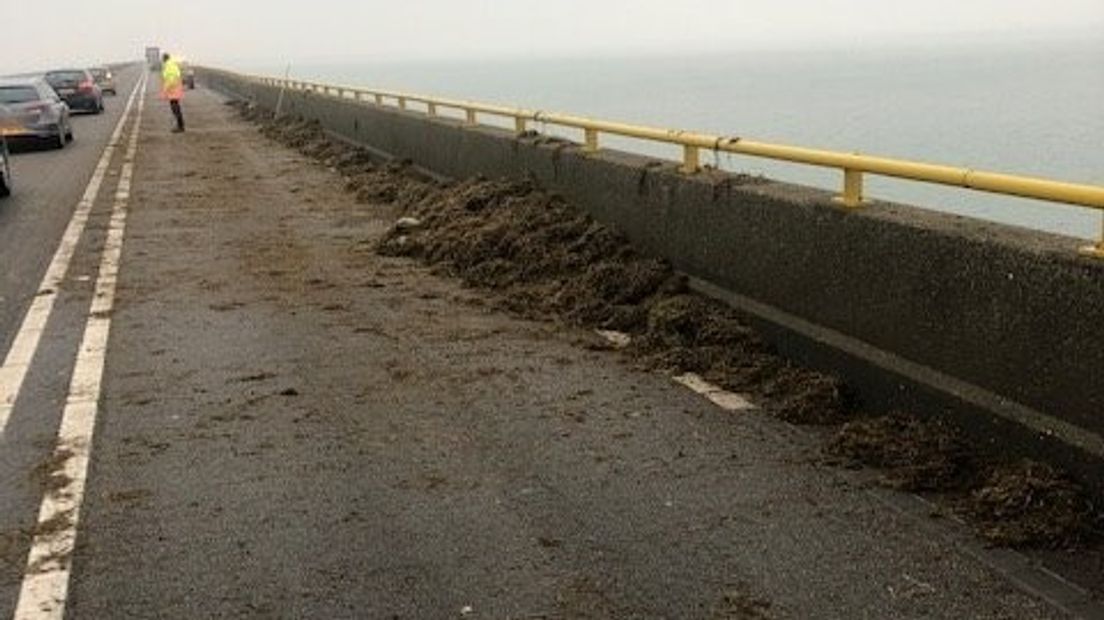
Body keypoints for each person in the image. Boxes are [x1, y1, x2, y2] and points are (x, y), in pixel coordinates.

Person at [160, 53, 185, 132]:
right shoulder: (171, 64)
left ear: (164, 59)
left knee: (175, 108)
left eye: (162, 59)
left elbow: (170, 79)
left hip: (173, 89)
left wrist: (165, 90)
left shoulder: (168, 66)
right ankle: (180, 125)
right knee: (176, 107)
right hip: (175, 88)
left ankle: (180, 126)